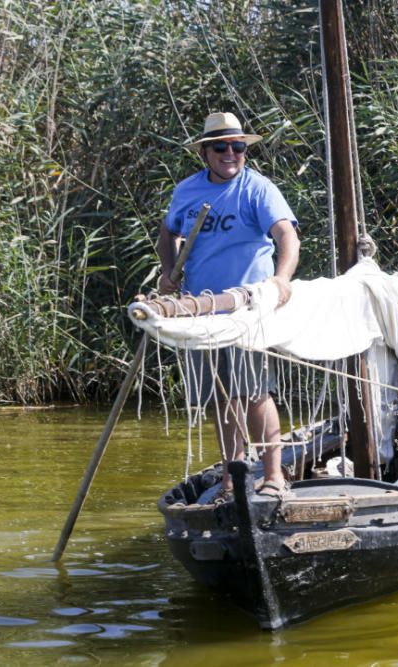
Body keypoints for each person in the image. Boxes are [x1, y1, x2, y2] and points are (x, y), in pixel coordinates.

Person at [157, 111, 300, 498]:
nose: (230, 153)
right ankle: (232, 478)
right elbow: (168, 231)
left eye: (238, 147)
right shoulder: (187, 191)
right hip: (201, 310)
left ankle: (273, 475)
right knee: (222, 397)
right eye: (221, 147)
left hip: (246, 311)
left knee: (254, 392)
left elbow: (286, 235)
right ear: (205, 152)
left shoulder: (258, 189)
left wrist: (281, 279)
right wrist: (169, 273)